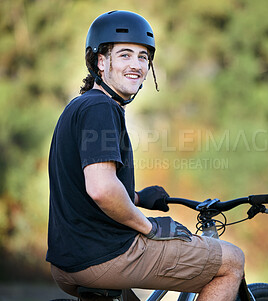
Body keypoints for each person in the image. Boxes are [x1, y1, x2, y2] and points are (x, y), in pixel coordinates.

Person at [46, 10, 245, 301]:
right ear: (101, 62)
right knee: (230, 261)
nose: (137, 65)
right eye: (125, 54)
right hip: (105, 255)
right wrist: (149, 226)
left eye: (143, 57)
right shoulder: (102, 108)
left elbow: (84, 185)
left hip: (67, 260)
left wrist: (136, 197)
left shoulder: (79, 107)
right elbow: (101, 189)